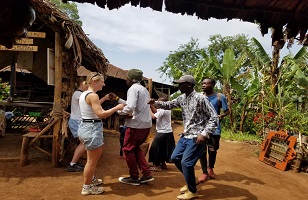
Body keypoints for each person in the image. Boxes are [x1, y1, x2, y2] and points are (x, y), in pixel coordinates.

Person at [148, 75, 218, 200]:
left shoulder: (201, 98)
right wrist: (155, 103)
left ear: (189, 85)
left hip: (197, 136)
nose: (178, 86)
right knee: (175, 158)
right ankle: (191, 179)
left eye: (181, 84)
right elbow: (169, 104)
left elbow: (214, 117)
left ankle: (192, 191)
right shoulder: (182, 98)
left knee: (186, 162)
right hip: (186, 135)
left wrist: (205, 133)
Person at [78, 72, 125, 195]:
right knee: (91, 161)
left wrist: (104, 98)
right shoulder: (92, 96)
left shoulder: (85, 94)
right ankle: (86, 188)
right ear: (94, 81)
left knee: (91, 159)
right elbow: (101, 114)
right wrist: (117, 107)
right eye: (102, 82)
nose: (103, 84)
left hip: (85, 127)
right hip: (92, 128)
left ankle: (90, 179)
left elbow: (94, 108)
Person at [114, 69, 154, 186]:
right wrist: (117, 99)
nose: (126, 80)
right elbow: (133, 104)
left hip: (136, 125)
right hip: (145, 125)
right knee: (135, 148)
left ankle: (134, 177)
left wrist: (117, 111)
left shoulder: (132, 89)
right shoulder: (143, 90)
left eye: (127, 78)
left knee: (127, 149)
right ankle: (146, 174)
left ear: (130, 79)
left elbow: (130, 107)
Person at [198, 78, 230, 183]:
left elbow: (227, 111)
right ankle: (204, 172)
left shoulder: (220, 97)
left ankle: (210, 168)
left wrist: (220, 116)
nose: (203, 85)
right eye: (202, 83)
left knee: (212, 150)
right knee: (201, 151)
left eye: (206, 83)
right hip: (201, 128)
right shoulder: (200, 96)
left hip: (214, 129)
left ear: (212, 85)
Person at [66, 76, 88, 172]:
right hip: (77, 122)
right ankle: (72, 164)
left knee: (83, 143)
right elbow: (88, 104)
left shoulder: (80, 94)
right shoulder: (78, 94)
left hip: (78, 121)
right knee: (85, 143)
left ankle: (74, 163)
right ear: (83, 83)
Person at [148, 97, 175, 172]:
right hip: (167, 132)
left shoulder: (163, 110)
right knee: (163, 149)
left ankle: (157, 166)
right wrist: (151, 105)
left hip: (162, 132)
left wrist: (148, 110)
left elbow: (154, 116)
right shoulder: (165, 109)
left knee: (155, 148)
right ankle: (163, 164)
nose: (158, 104)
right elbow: (156, 111)